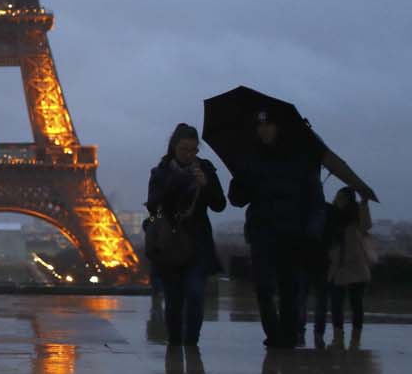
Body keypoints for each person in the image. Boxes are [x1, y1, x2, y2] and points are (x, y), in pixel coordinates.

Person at [228, 111, 335, 349]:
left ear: (279, 128)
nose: (263, 129)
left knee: (289, 288)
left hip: (291, 233)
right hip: (263, 231)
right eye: (260, 125)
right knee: (264, 286)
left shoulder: (300, 160)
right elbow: (236, 199)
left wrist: (311, 234)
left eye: (268, 124)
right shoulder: (251, 160)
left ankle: (285, 334)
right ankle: (276, 334)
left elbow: (315, 201)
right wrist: (240, 178)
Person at [145, 123, 225, 346]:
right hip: (171, 242)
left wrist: (205, 185)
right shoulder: (161, 172)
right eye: (184, 150)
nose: (189, 155)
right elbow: (153, 206)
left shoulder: (205, 170)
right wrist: (175, 183)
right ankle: (175, 341)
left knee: (196, 294)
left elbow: (220, 204)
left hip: (197, 242)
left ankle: (191, 342)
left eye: (193, 150)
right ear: (174, 147)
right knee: (174, 300)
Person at [315, 186, 374, 345]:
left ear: (349, 200)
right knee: (336, 304)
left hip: (355, 266)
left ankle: (356, 337)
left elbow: (367, 225)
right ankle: (338, 336)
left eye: (343, 198)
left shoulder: (356, 218)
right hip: (337, 266)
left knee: (356, 304)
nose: (339, 200)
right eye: (338, 196)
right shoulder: (331, 215)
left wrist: (364, 203)